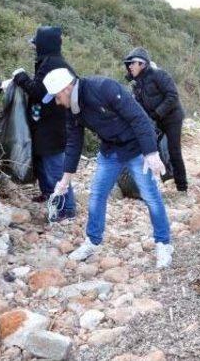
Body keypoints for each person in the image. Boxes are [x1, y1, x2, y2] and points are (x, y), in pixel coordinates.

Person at [44, 68, 173, 269]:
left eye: (56, 97)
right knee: (97, 194)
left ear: (67, 88)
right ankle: (92, 241)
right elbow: (73, 143)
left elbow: (139, 118)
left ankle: (164, 244)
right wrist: (65, 180)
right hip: (109, 152)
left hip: (136, 149)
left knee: (150, 196)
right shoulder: (72, 109)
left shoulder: (103, 87)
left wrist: (152, 153)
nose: (56, 102)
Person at [11, 26, 77, 220]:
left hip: (54, 125)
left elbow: (38, 92)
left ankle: (67, 209)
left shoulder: (54, 64)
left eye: (35, 43)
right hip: (45, 123)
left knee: (55, 164)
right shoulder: (47, 61)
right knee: (42, 159)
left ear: (43, 44)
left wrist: (21, 77)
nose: (33, 47)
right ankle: (50, 195)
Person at [124, 47, 188, 192]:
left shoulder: (159, 75)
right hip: (157, 120)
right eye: (129, 64)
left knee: (174, 150)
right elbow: (139, 108)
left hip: (172, 117)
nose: (130, 67)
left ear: (142, 63)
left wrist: (156, 114)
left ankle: (182, 187)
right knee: (153, 148)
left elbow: (172, 96)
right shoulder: (137, 85)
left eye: (132, 63)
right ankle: (167, 178)